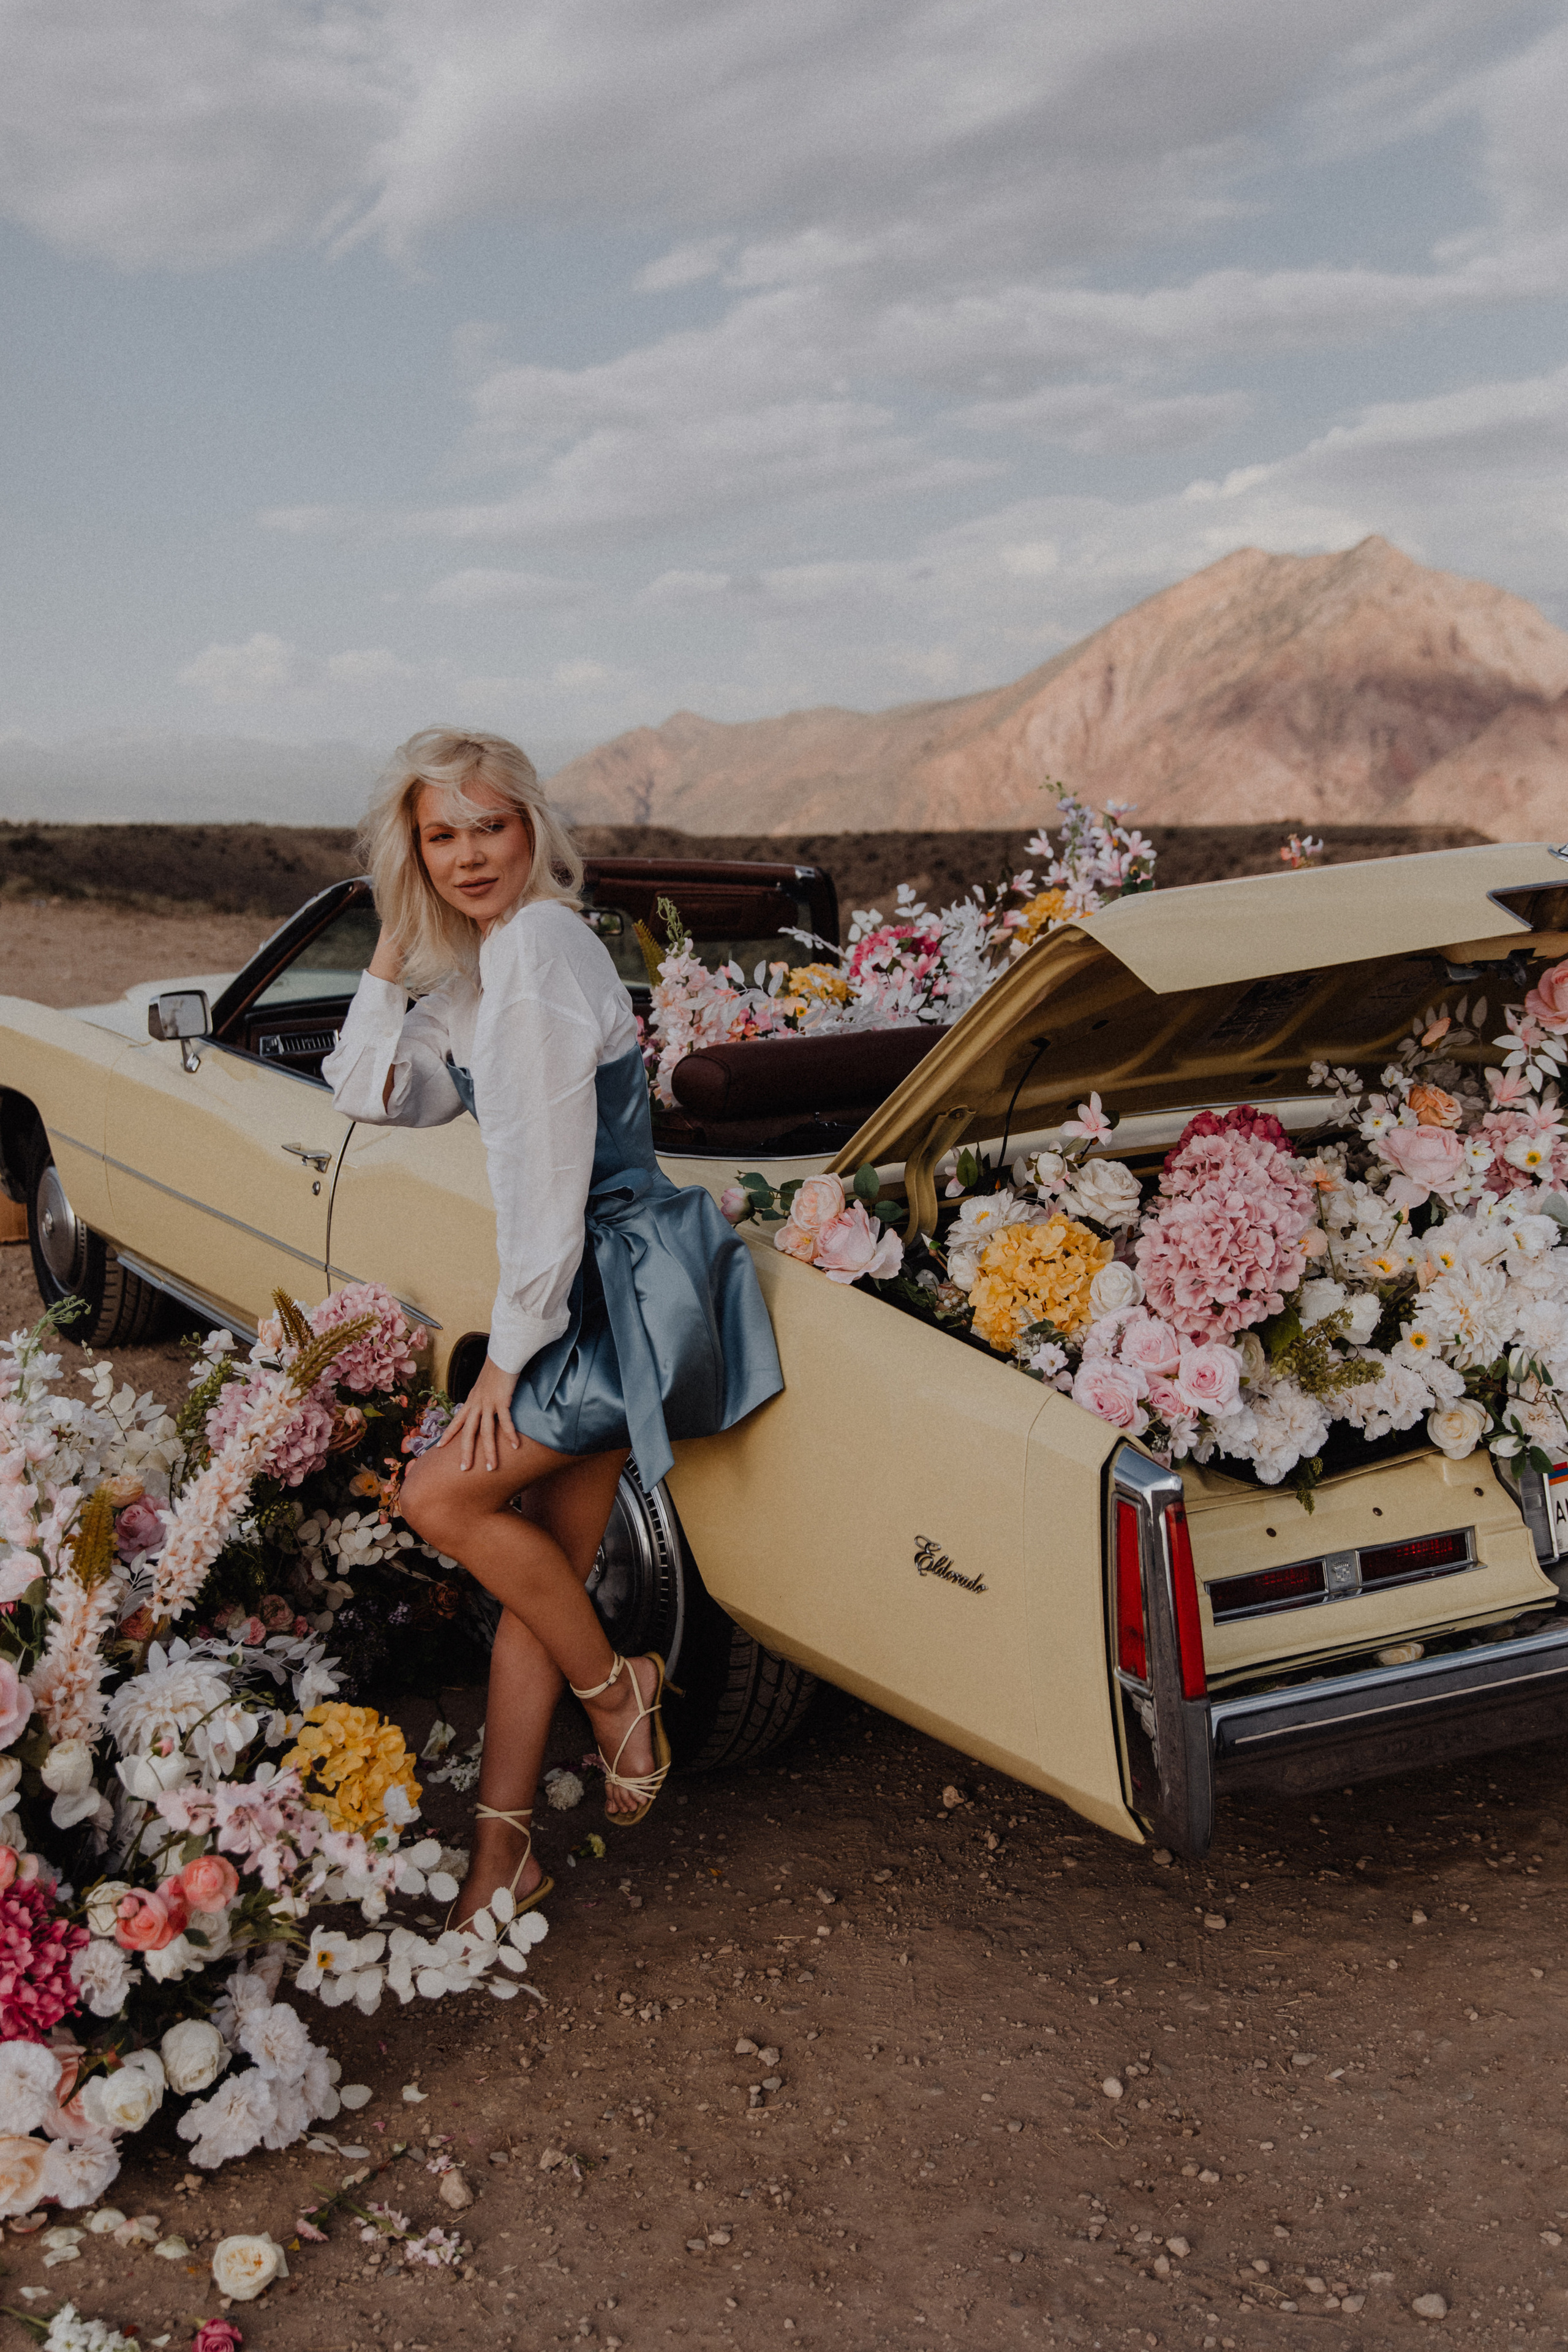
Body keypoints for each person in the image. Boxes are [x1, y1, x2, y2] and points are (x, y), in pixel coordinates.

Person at [322, 728, 783, 1928]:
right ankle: (500, 1866)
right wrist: (388, 948)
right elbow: (374, 1088)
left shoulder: (535, 949)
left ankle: (616, 1688)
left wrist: (508, 1357)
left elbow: (544, 1174)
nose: (471, 855)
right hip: (595, 1275)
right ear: (413, 852)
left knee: (439, 1499)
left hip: (600, 1283)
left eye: (492, 827)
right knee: (541, 1570)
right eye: (441, 836)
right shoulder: (482, 969)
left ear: (533, 829)